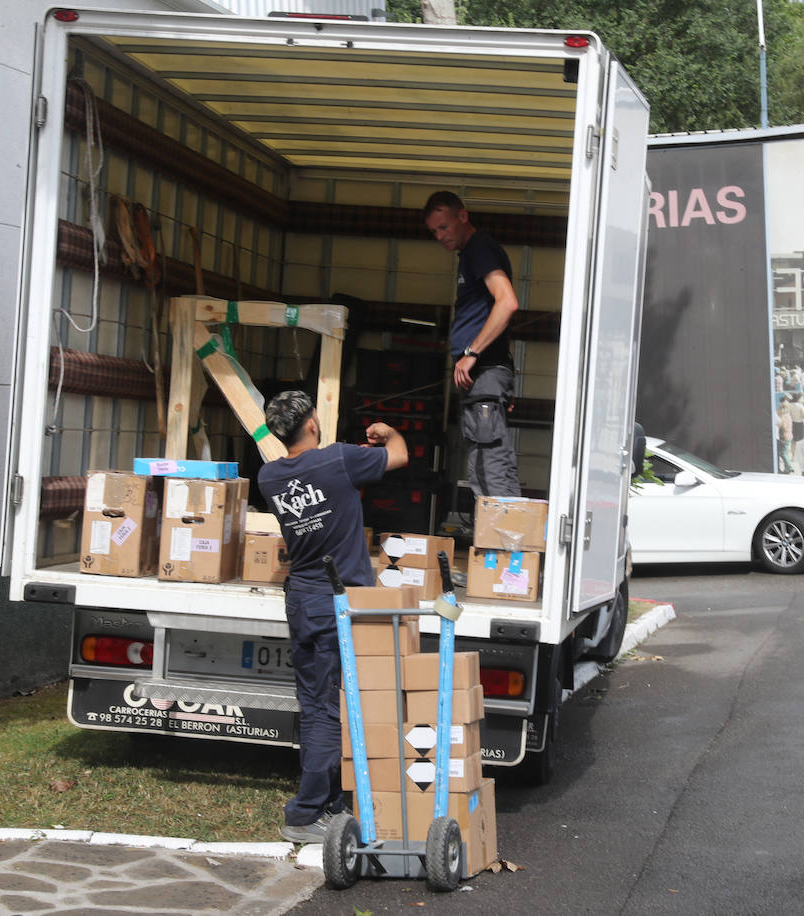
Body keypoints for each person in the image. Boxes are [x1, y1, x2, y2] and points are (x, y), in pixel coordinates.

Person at [256, 390, 408, 843]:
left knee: (315, 702)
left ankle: (330, 802)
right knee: (326, 708)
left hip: (303, 597)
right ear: (314, 425)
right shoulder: (339, 460)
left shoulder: (268, 477)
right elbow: (398, 456)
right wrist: (388, 433)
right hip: (335, 600)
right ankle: (304, 815)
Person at [423, 190, 521, 497]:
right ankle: (501, 539)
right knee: (483, 462)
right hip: (486, 378)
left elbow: (507, 303)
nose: (439, 236)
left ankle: (507, 542)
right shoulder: (470, 254)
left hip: (486, 373)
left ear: (463, 216)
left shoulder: (481, 249)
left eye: (444, 227)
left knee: (490, 466)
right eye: (434, 232)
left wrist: (471, 354)